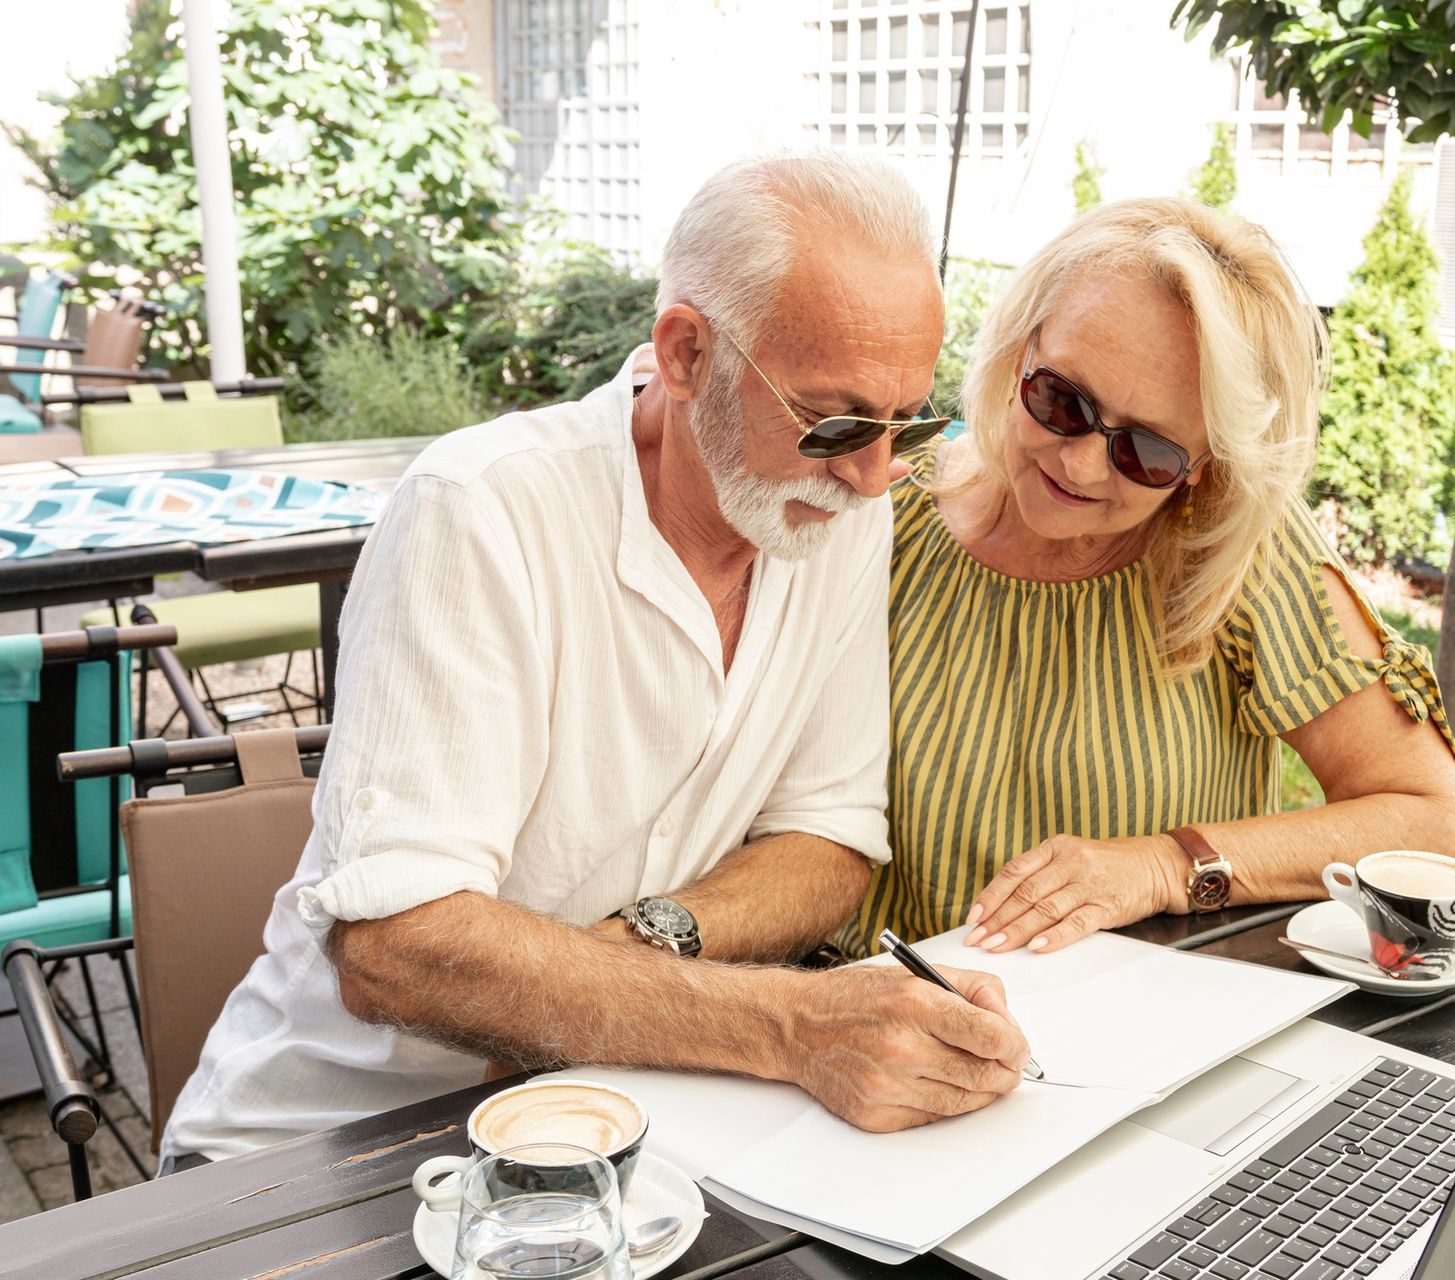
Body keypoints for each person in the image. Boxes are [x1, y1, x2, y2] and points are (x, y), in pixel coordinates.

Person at [163, 153, 1029, 1164]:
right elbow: (395, 947)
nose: (874, 477)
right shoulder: (482, 509)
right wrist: (790, 1025)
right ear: (687, 352)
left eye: (905, 421)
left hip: (615, 1122)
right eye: (833, 421)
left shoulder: (833, 511)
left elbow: (829, 838)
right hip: (332, 1149)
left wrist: (633, 949)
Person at [838, 197, 1455, 958]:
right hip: (885, 1018)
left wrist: (1165, 865)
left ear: (1205, 469)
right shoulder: (882, 513)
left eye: (1146, 451)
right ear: (1021, 348)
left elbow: (1435, 822)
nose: (1077, 463)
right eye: (1062, 401)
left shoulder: (1234, 544)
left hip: (1149, 1031)